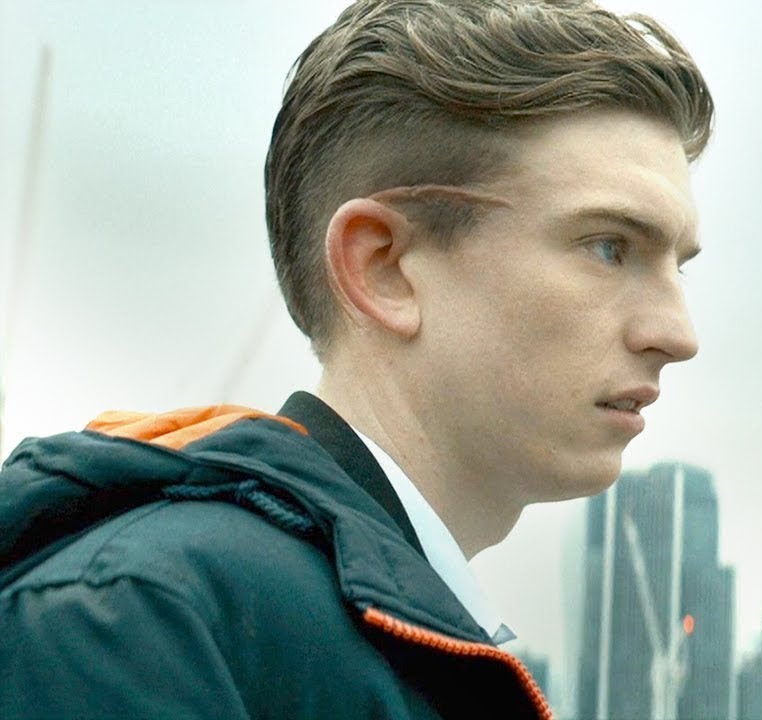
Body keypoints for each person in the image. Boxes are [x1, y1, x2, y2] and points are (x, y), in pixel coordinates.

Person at [0, 1, 713, 717]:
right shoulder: (138, 622)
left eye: (678, 266)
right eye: (610, 247)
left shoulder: (298, 626)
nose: (678, 334)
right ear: (384, 268)